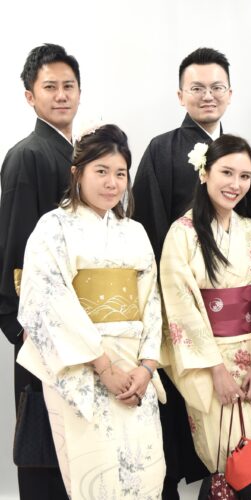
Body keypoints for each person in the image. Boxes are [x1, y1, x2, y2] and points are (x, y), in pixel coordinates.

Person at [15, 124, 166, 499]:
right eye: (101, 171)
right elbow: (48, 301)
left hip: (134, 370)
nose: (112, 183)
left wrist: (147, 367)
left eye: (120, 173)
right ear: (77, 173)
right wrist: (104, 367)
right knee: (95, 477)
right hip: (82, 368)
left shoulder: (135, 232)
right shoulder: (53, 228)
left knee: (146, 474)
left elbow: (151, 302)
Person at [160, 135, 251, 498]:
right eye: (226, 173)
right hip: (210, 366)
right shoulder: (182, 234)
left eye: (244, 176)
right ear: (205, 173)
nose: (235, 184)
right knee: (227, 461)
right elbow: (179, 306)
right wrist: (216, 370)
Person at [132, 48, 231, 497]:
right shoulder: (161, 149)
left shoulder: (236, 151)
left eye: (216, 87)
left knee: (230, 418)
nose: (207, 95)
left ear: (230, 93)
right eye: (197, 87)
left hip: (232, 319)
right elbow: (148, 229)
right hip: (179, 305)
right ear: (180, 95)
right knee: (176, 411)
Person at [0, 43, 81, 500]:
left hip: (83, 326)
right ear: (30, 96)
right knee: (46, 447)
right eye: (50, 87)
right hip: (42, 329)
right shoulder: (27, 155)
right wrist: (25, 327)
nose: (61, 95)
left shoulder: (80, 155)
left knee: (78, 452)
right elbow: (16, 249)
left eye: (69, 85)